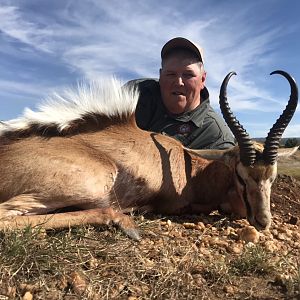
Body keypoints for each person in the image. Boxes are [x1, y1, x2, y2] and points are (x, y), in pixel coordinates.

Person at [126, 37, 235, 149]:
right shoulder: (132, 93)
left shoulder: (216, 137)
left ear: (202, 80)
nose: (179, 82)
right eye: (170, 74)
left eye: (188, 75)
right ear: (160, 76)